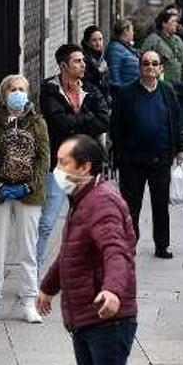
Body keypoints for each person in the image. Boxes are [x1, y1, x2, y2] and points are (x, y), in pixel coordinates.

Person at [37, 134, 173, 365]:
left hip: (108, 317)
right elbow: (72, 253)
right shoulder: (81, 198)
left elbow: (118, 252)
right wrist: (48, 288)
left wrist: (112, 291)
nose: (58, 169)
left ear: (86, 167)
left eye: (64, 162)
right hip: (86, 315)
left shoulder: (102, 203)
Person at [0, 75, 49, 325]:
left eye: (21, 89)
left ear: (28, 93)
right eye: (12, 89)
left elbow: (43, 159)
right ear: (3, 94)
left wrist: (28, 186)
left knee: (28, 249)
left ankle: (29, 300)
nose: (17, 93)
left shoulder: (37, 123)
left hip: (28, 195)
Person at [39, 44, 111, 267]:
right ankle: (33, 272)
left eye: (83, 60)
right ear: (63, 66)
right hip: (59, 166)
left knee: (89, 221)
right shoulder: (49, 90)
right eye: (77, 61)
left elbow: (104, 121)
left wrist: (77, 119)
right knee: (47, 223)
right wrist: (85, 120)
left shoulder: (90, 89)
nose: (83, 65)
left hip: (87, 167)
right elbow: (59, 122)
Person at [110, 51, 182, 259]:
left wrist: (180, 149)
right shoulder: (126, 93)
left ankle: (162, 245)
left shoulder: (167, 91)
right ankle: (129, 245)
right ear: (140, 67)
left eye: (154, 63)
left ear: (160, 68)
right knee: (131, 207)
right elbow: (116, 125)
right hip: (132, 161)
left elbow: (176, 121)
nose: (150, 67)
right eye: (145, 63)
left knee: (160, 205)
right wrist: (121, 152)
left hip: (160, 160)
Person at [138, 9, 183, 84]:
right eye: (173, 21)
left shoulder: (178, 40)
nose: (176, 24)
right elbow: (142, 59)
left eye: (176, 21)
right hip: (160, 83)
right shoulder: (153, 40)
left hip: (178, 82)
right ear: (164, 24)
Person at [105, 19, 140, 90]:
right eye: (132, 30)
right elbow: (113, 73)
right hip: (123, 92)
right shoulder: (114, 49)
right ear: (126, 31)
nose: (133, 33)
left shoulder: (125, 47)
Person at [81, 26, 110, 96]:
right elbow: (84, 80)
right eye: (94, 40)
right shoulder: (84, 58)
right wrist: (98, 71)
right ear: (87, 42)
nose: (98, 43)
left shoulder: (99, 56)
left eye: (100, 39)